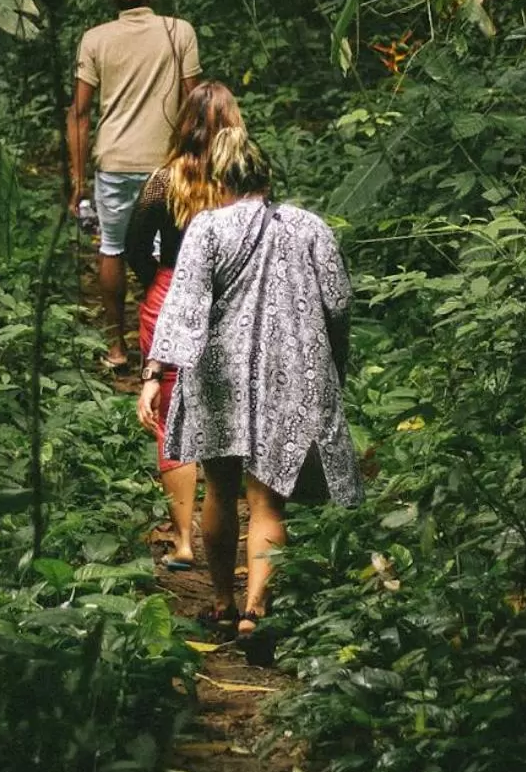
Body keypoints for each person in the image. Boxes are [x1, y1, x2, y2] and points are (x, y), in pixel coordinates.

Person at [138, 131, 362, 641]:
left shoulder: (207, 228)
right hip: (289, 371)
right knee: (267, 501)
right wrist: (332, 360)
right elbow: (339, 302)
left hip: (219, 376)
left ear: (220, 180)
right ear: (266, 176)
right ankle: (255, 611)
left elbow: (184, 308)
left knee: (219, 489)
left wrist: (154, 375)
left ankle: (221, 602)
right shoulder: (311, 227)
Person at [125, 82, 247, 570]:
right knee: (231, 404)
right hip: (230, 296)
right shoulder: (245, 180)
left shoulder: (164, 180)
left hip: (171, 290)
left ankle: (182, 541)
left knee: (171, 411)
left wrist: (159, 280)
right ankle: (232, 533)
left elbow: (135, 243)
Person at [67, 0, 202, 370]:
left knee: (112, 247)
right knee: (168, 254)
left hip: (114, 162)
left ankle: (115, 350)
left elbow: (80, 112)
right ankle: (160, 350)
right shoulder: (179, 31)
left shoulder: (95, 39)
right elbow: (195, 102)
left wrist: (77, 179)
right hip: (165, 163)